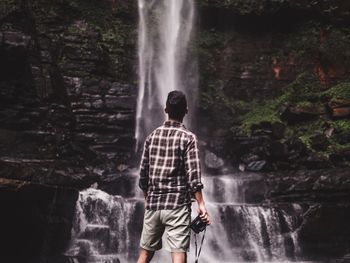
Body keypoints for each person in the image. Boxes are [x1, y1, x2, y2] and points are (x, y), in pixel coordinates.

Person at [136, 90, 211, 263]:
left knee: (145, 253)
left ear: (165, 109)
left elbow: (143, 175)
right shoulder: (188, 138)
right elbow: (193, 175)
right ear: (186, 110)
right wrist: (201, 204)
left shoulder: (151, 137)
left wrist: (147, 199)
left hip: (154, 205)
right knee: (178, 255)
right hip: (177, 206)